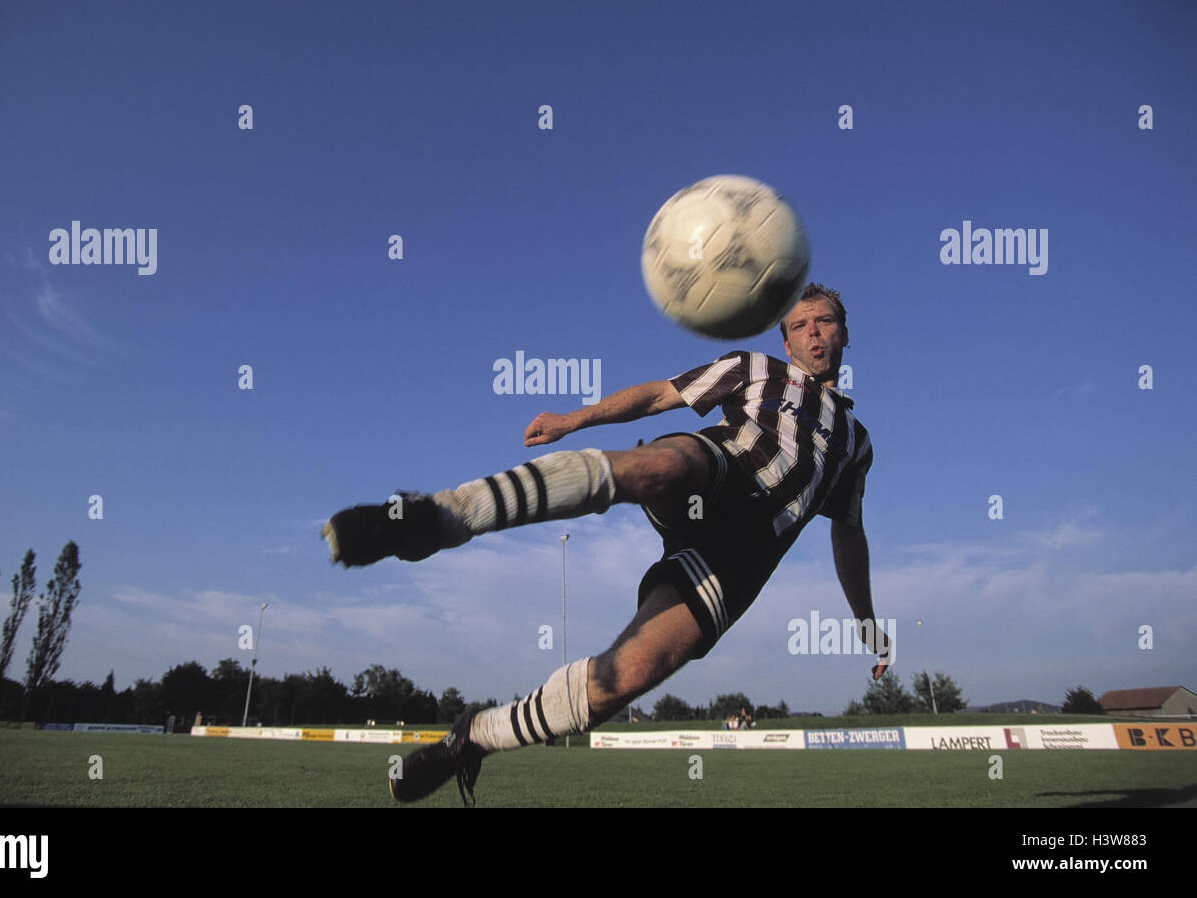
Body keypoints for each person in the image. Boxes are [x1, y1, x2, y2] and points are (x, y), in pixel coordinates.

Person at [323, 282, 891, 805]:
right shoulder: (755, 368)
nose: (815, 332)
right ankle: (445, 514)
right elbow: (660, 396)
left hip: (741, 557)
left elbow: (848, 530)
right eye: (802, 325)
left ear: (844, 331)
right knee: (666, 464)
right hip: (720, 470)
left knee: (621, 681)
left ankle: (473, 738)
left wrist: (864, 620)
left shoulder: (856, 446)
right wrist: (577, 418)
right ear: (786, 339)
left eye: (825, 321)